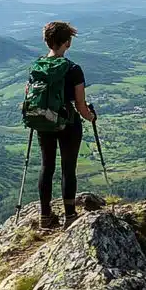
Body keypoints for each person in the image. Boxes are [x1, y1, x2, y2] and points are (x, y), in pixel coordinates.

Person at [36, 21, 96, 229]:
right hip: (68, 123)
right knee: (68, 168)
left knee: (47, 166)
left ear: (47, 41)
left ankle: (45, 216)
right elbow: (80, 105)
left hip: (44, 122)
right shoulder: (73, 69)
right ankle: (70, 215)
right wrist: (91, 117)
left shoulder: (38, 67)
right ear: (67, 43)